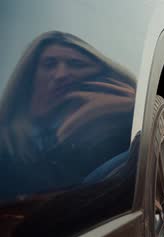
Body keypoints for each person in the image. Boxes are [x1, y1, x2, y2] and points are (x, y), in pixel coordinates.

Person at [0, 31, 136, 200]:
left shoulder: (116, 132)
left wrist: (134, 112)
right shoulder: (7, 144)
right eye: (49, 64)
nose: (61, 74)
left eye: (76, 64)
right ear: (29, 76)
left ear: (103, 76)